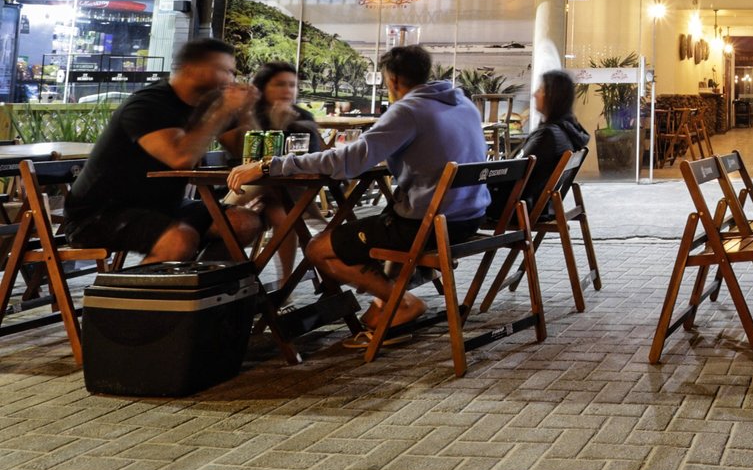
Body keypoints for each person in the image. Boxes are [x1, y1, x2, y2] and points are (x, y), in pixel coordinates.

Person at [225, 44, 487, 346]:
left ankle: (400, 303)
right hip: (467, 218)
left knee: (318, 249)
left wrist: (270, 165)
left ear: (392, 79)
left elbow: (347, 162)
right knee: (371, 228)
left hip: (427, 224)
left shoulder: (408, 110)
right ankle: (384, 305)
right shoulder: (463, 105)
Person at [63, 38, 261, 262]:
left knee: (244, 223)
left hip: (164, 206)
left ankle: (197, 285)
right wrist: (221, 112)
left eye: (232, 72)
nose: (231, 79)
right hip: (99, 213)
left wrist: (245, 111)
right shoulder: (149, 104)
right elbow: (180, 158)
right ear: (192, 68)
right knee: (179, 240)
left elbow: (241, 150)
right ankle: (131, 296)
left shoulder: (209, 103)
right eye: (224, 70)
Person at [219, 62, 326, 279]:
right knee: (282, 211)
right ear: (262, 87)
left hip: (288, 189)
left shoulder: (301, 116)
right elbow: (238, 154)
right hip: (248, 188)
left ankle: (285, 282)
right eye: (280, 84)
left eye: (292, 85)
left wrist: (283, 127)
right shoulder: (243, 113)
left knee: (282, 213)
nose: (288, 90)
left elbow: (309, 160)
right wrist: (260, 121)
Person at [497, 70, 590, 220]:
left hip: (517, 208)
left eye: (540, 90)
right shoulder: (564, 132)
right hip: (539, 205)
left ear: (553, 97)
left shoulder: (547, 136)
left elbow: (515, 174)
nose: (534, 94)